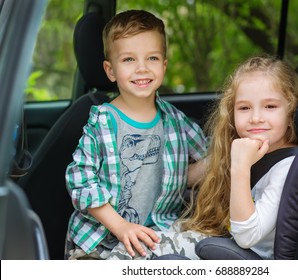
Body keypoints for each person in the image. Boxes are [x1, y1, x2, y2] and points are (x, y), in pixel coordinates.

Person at [65, 9, 208, 260]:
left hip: (156, 234)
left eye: (152, 58)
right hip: (99, 241)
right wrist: (121, 227)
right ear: (110, 70)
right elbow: (80, 180)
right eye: (129, 60)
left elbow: (209, 155)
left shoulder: (174, 120)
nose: (142, 68)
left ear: (164, 66)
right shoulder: (103, 122)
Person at [180, 54, 298, 259]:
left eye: (270, 106)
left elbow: (247, 236)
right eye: (244, 108)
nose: (255, 118)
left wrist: (240, 167)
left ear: (290, 114)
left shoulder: (286, 167)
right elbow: (187, 178)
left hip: (244, 255)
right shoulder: (244, 148)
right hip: (223, 240)